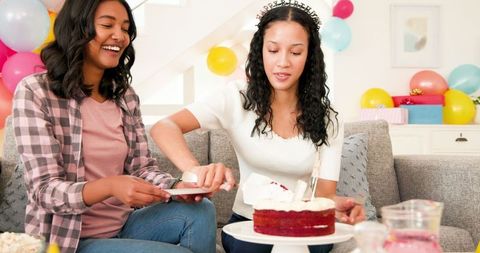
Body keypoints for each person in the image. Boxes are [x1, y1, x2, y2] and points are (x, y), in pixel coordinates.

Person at [150, 2, 365, 253]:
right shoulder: (236, 98)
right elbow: (164, 127)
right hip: (249, 222)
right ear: (260, 50)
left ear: (310, 57)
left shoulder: (327, 117)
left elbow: (325, 195)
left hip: (304, 224)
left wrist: (337, 207)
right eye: (273, 50)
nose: (282, 62)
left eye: (295, 52)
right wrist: (195, 170)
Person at [12, 1, 216, 253]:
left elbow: (142, 168)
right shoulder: (35, 91)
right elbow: (44, 190)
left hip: (123, 225)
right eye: (107, 25)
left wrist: (177, 187)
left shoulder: (125, 96)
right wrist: (110, 186)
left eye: (125, 28)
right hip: (69, 240)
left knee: (201, 210)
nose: (120, 36)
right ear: (78, 28)